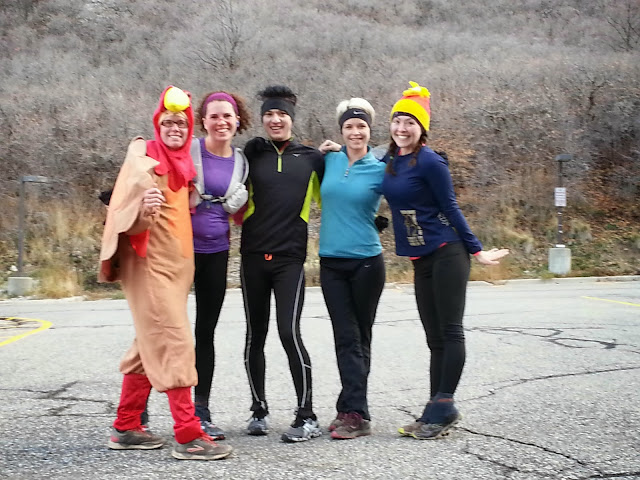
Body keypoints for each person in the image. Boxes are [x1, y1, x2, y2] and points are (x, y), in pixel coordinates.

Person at [99, 86, 233, 460]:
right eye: (168, 122)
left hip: (175, 272)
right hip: (150, 267)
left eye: (181, 123)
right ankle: (188, 435)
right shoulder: (144, 161)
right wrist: (143, 207)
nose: (175, 128)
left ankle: (126, 426)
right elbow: (126, 212)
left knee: (148, 344)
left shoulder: (183, 163)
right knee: (175, 343)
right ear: (157, 124)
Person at [381, 82, 509, 440]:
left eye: (410, 122)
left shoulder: (430, 161)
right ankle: (435, 409)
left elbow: (450, 207)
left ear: (421, 128)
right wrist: (334, 151)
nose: (402, 128)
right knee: (434, 337)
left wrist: (477, 250)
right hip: (420, 257)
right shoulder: (390, 160)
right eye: (397, 121)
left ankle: (444, 407)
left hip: (447, 251)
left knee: (450, 331)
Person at [240, 85, 324, 443]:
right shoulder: (252, 154)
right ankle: (258, 410)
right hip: (253, 257)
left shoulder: (312, 159)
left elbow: (337, 193)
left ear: (292, 118)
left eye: (282, 114)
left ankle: (307, 415)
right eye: (269, 114)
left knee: (289, 333)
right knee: (254, 336)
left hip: (290, 259)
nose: (275, 120)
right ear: (262, 119)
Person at [317, 98, 386, 440]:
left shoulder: (381, 168)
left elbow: (408, 192)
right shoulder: (328, 160)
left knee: (360, 337)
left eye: (361, 126)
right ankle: (353, 408)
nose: (355, 132)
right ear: (341, 131)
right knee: (346, 337)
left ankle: (354, 412)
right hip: (331, 262)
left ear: (370, 130)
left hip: (367, 262)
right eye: (349, 126)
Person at [190, 91, 250, 440]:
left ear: (237, 120)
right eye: (214, 116)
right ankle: (139, 411)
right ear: (203, 121)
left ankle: (201, 410)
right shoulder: (190, 150)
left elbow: (243, 211)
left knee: (205, 331)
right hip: (180, 250)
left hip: (217, 251)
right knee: (164, 329)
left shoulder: (242, 162)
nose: (221, 122)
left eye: (227, 116)